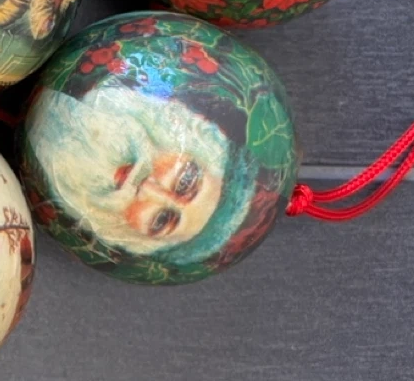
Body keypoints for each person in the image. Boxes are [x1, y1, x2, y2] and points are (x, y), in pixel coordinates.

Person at [28, 83, 249, 255]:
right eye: (184, 181)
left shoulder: (48, 186)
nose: (147, 187)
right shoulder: (120, 92)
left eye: (161, 220)